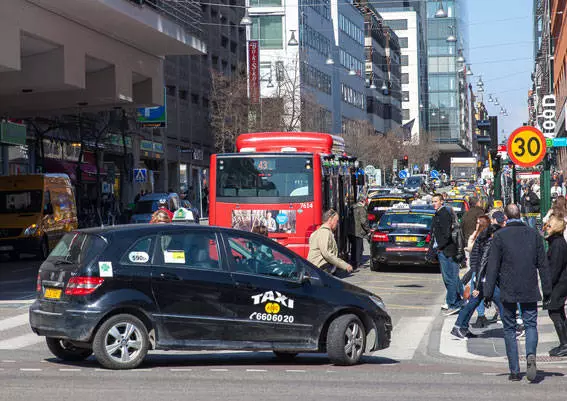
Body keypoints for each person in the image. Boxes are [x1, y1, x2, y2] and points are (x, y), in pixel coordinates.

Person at [484, 204, 552, 382]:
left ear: (505, 217)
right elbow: (543, 266)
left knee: (509, 328)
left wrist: (488, 293)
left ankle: (514, 370)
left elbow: (493, 267)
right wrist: (547, 291)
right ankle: (530, 354)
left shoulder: (499, 236)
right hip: (529, 286)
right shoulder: (533, 235)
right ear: (520, 215)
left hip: (508, 287)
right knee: (530, 324)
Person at [451, 216, 505, 339]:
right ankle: (511, 328)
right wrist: (476, 282)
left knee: (472, 302)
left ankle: (460, 327)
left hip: (482, 277)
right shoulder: (488, 242)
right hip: (484, 278)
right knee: (501, 303)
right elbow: (481, 263)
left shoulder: (482, 238)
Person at [431, 194, 464, 315]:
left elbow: (446, 234)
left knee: (450, 279)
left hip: (448, 251)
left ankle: (452, 303)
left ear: (442, 202)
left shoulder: (443, 214)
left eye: (436, 201)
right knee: (452, 278)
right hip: (444, 250)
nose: (434, 204)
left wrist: (438, 247)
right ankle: (460, 299)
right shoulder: (438, 213)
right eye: (432, 201)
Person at [544, 215, 567, 357]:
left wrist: (547, 285)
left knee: (554, 312)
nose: (546, 227)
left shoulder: (558, 244)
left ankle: (564, 344)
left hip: (559, 283)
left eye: (549, 226)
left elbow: (555, 268)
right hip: (560, 282)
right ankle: (564, 343)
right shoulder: (556, 242)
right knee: (557, 312)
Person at [308, 209, 353, 275]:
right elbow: (327, 253)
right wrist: (345, 265)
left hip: (316, 269)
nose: (337, 224)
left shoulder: (317, 232)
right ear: (330, 219)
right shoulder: (325, 232)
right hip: (321, 269)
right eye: (336, 221)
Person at [348, 194, 371, 270]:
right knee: (359, 248)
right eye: (366, 200)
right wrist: (368, 230)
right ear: (363, 201)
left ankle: (353, 261)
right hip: (358, 232)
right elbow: (363, 221)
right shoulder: (361, 208)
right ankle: (357, 263)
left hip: (351, 231)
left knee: (353, 248)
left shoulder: (353, 207)